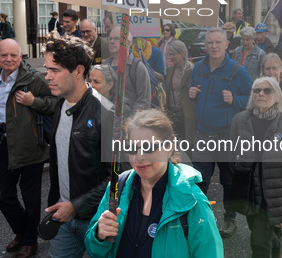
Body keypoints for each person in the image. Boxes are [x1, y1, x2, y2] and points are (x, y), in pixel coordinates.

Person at [84, 109, 223, 258]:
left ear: (169, 148)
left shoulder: (192, 201)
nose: (139, 156)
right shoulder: (116, 188)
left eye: (148, 147)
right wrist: (99, 235)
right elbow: (94, 250)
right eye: (132, 148)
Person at [0, 39, 56, 258]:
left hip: (30, 146)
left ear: (20, 55)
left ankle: (30, 241)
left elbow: (56, 102)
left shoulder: (33, 79)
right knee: (3, 195)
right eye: (4, 55)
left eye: (13, 55)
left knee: (31, 198)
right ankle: (24, 231)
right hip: (2, 144)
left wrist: (34, 101)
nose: (9, 59)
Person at [43, 36, 114, 258]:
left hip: (97, 219)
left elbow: (118, 177)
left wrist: (77, 205)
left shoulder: (106, 113)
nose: (48, 77)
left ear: (78, 70)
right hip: (62, 216)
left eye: (55, 70)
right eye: (47, 69)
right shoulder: (60, 104)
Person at [230, 77, 282, 258]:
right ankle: (278, 248)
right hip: (248, 189)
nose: (261, 94)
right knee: (256, 228)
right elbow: (235, 149)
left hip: (272, 193)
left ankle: (273, 249)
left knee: (258, 242)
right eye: (257, 90)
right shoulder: (239, 120)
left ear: (277, 96)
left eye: (267, 91)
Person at [188, 27, 253, 238]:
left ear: (226, 44)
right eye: (210, 43)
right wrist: (191, 93)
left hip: (226, 137)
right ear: (205, 46)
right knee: (199, 180)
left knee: (229, 181)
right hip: (203, 135)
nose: (213, 46)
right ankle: (198, 218)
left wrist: (236, 100)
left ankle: (230, 218)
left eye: (218, 42)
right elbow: (193, 90)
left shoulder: (237, 71)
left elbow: (253, 100)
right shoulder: (198, 68)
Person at [103, 27, 151, 114]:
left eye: (117, 39)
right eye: (110, 38)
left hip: (127, 123)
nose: (112, 41)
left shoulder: (137, 67)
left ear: (127, 43)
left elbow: (144, 101)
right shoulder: (104, 66)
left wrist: (128, 120)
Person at [164, 40, 196, 148]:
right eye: (169, 55)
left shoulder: (191, 70)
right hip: (171, 113)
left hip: (185, 115)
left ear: (182, 53)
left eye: (173, 54)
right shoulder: (170, 70)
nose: (171, 57)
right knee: (171, 148)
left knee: (188, 147)